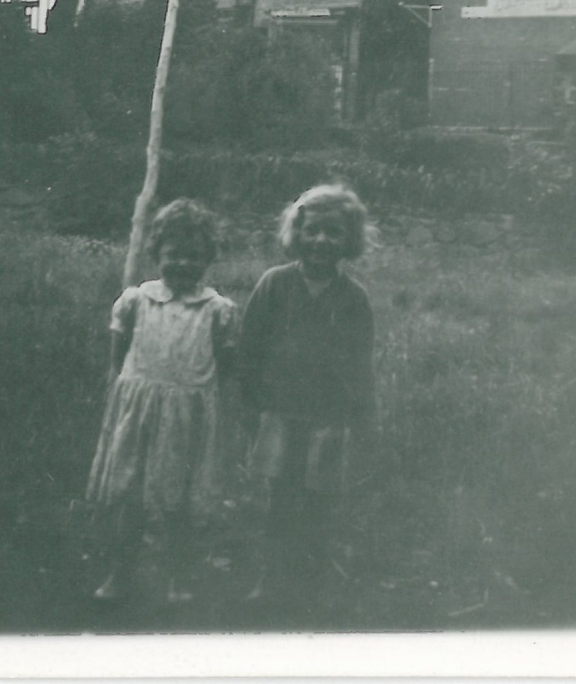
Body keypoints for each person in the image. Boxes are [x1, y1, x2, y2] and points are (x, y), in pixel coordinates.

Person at [86, 199, 238, 604]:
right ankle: (120, 573)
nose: (184, 264)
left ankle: (179, 577)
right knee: (130, 497)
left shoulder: (217, 310)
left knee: (180, 502)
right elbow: (117, 359)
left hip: (186, 414)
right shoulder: (136, 301)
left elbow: (225, 365)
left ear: (209, 258)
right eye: (174, 255)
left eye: (195, 256)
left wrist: (210, 409)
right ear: (156, 254)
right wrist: (125, 392)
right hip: (140, 410)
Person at [238, 183, 375, 613]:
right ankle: (271, 575)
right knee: (279, 498)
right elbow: (249, 349)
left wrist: (363, 421)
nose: (320, 241)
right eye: (312, 231)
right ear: (297, 234)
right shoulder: (274, 285)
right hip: (279, 413)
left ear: (348, 240)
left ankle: (311, 583)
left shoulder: (354, 300)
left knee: (319, 501)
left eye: (333, 233)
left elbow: (359, 365)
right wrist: (251, 404)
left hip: (328, 419)